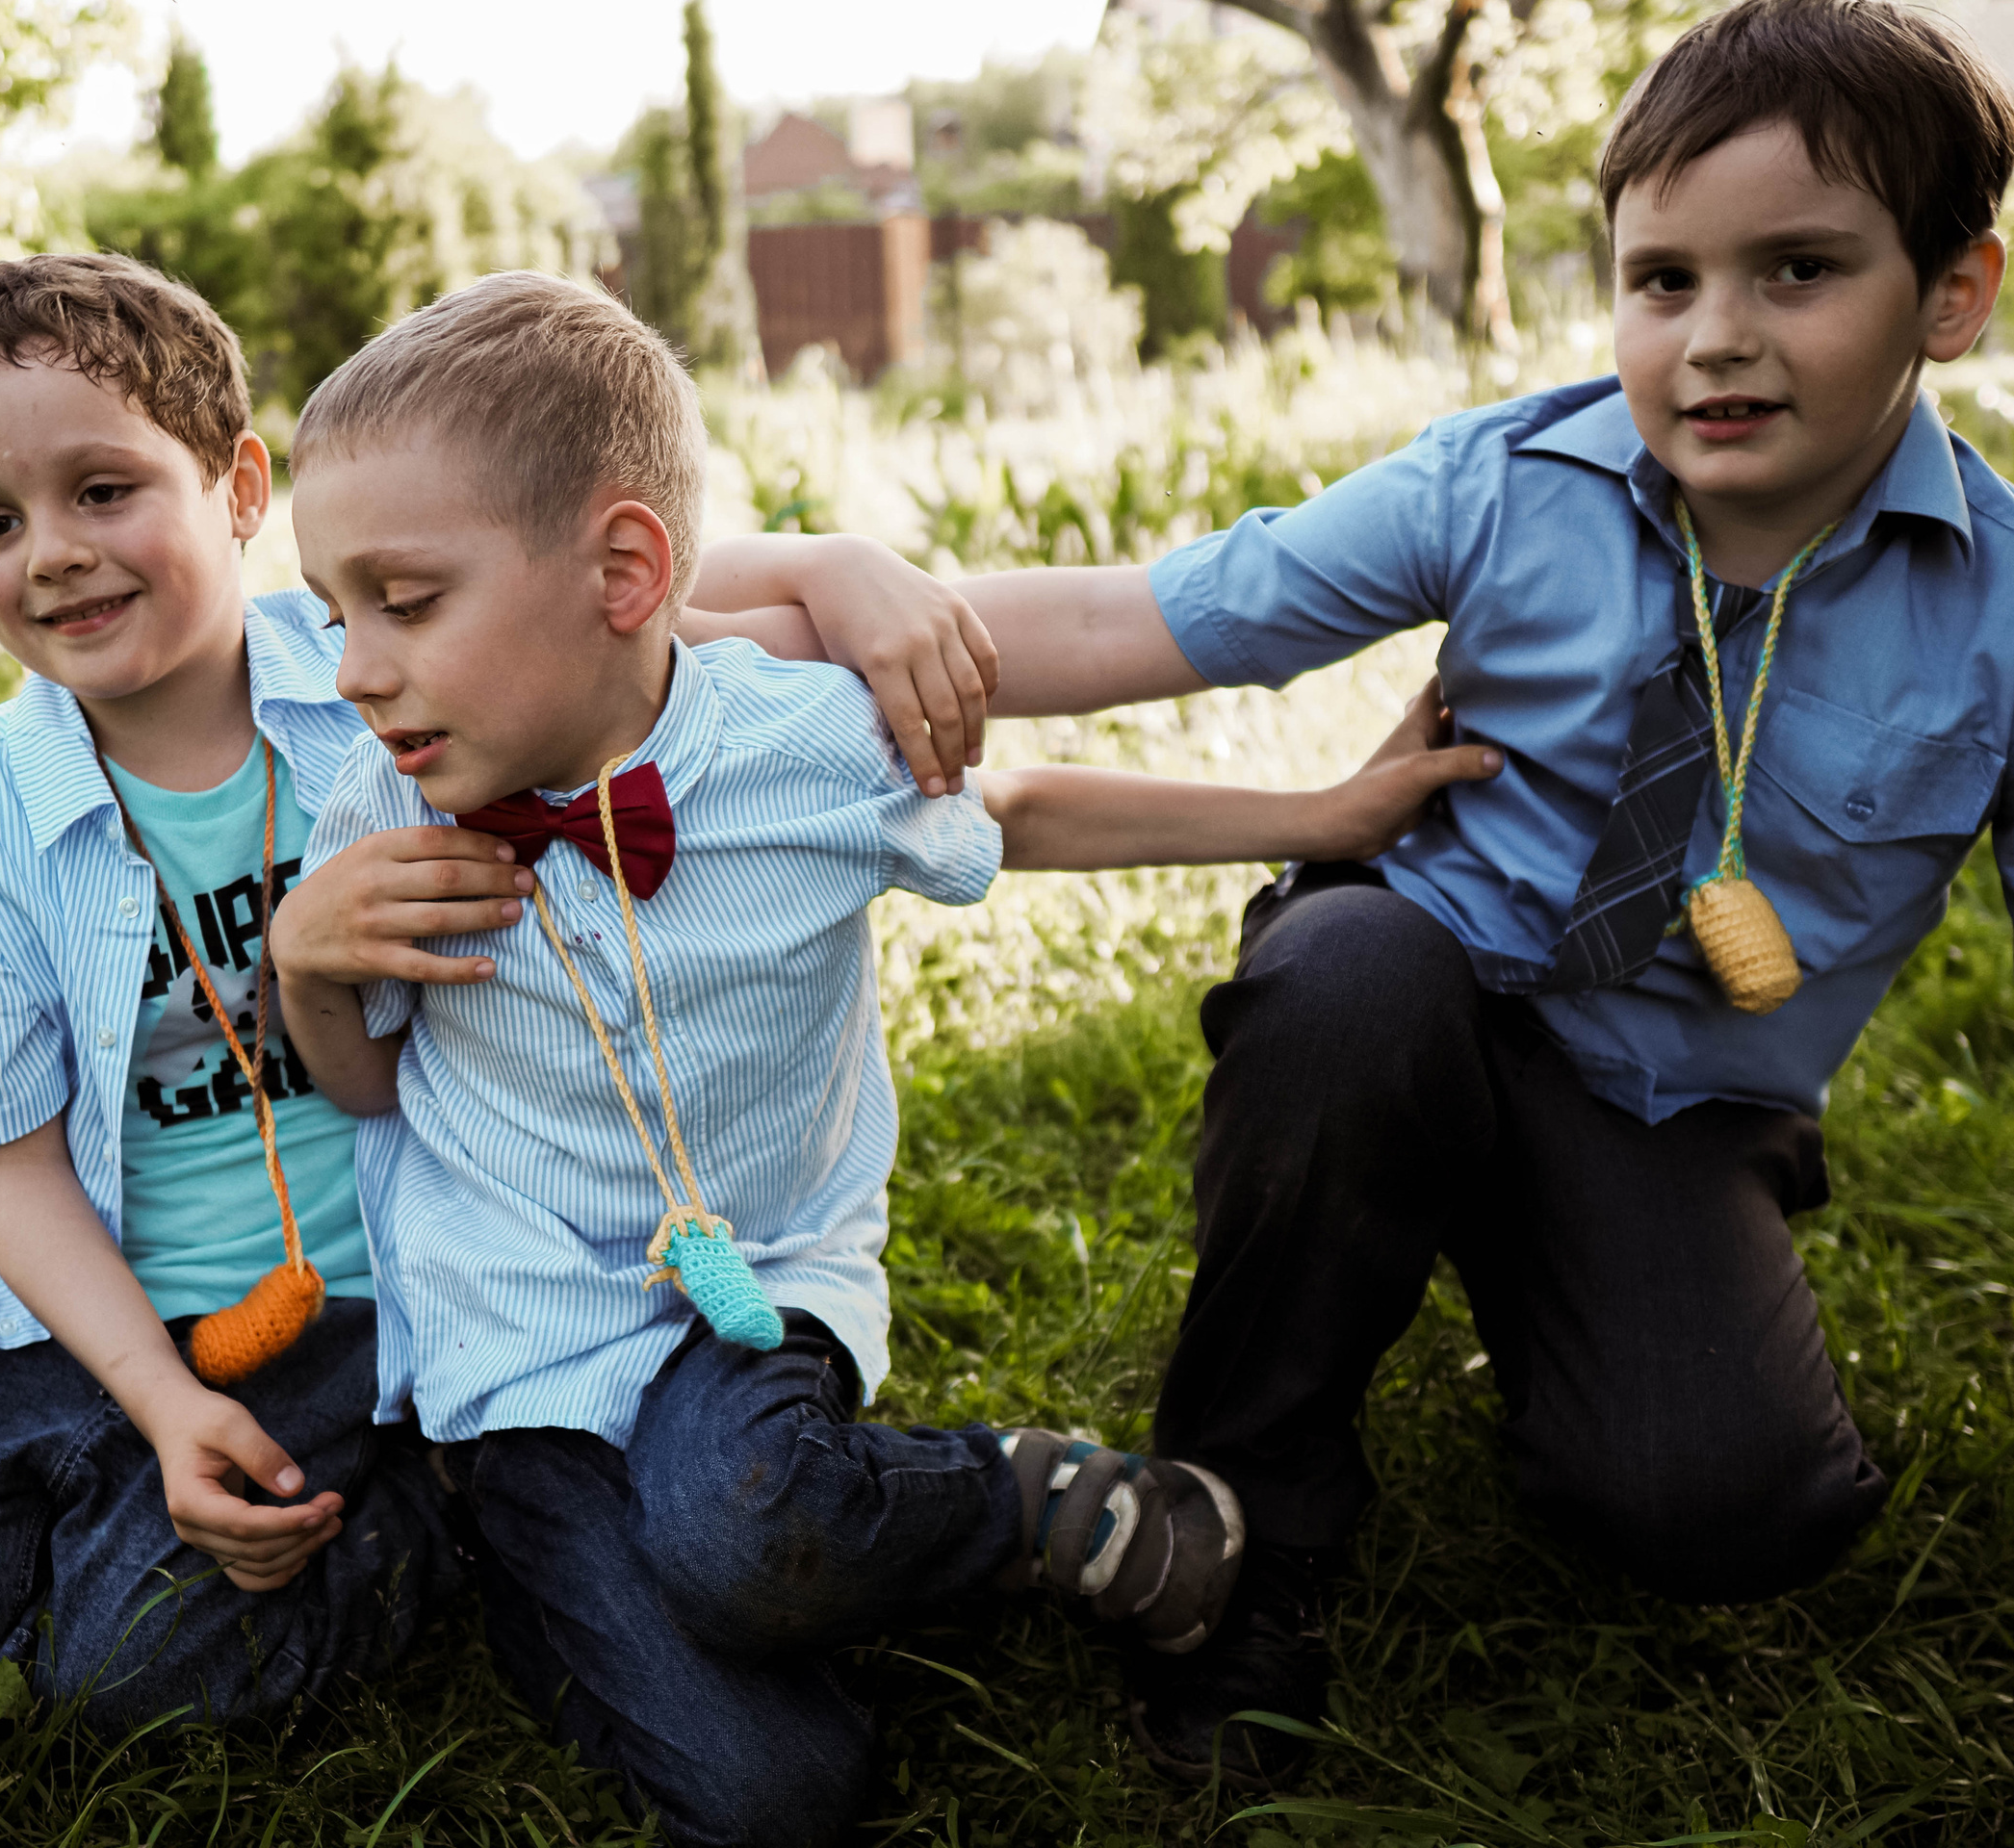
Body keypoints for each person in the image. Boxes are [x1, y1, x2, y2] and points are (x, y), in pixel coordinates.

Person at [699, 0, 2014, 1793]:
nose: (1717, 339)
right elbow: (1133, 622)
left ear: (1956, 294)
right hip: (1415, 981)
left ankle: (1575, 1284)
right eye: (1662, 281)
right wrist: (816, 597)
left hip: (1672, 1099)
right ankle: (1246, 1532)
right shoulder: (1505, 487)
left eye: (1800, 271)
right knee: (1350, 987)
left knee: (1729, 1511)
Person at [264, 268, 1504, 1847]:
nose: (357, 668)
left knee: (736, 1526)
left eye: (407, 602)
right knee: (776, 1796)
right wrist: (306, 966)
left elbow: (1026, 811)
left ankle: (1035, 1505)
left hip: (754, 1281)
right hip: (515, 1343)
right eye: (333, 614)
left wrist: (1319, 820)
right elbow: (366, 1088)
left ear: (626, 571)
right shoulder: (383, 811)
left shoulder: (794, 749)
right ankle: (537, 1552)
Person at [0, 252, 1003, 1748]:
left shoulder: (384, 674)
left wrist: (835, 567)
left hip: (341, 1313)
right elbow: (8, 1175)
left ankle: (411, 1521)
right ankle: (112, 1489)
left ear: (237, 489)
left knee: (137, 1687)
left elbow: (610, 592)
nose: (55, 556)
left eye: (103, 492)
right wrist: (156, 1402)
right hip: (53, 1304)